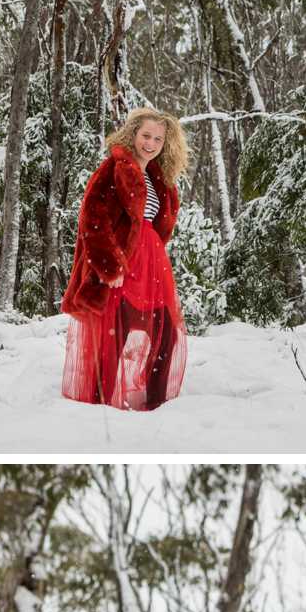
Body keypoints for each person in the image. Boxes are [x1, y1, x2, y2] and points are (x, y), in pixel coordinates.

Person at [61, 109, 188, 412]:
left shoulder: (160, 179)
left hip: (152, 269)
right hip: (122, 267)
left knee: (166, 334)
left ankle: (157, 406)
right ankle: (99, 406)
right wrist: (109, 265)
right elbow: (92, 218)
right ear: (133, 134)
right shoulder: (113, 167)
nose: (151, 143)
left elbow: (155, 226)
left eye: (158, 138)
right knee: (111, 340)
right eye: (146, 135)